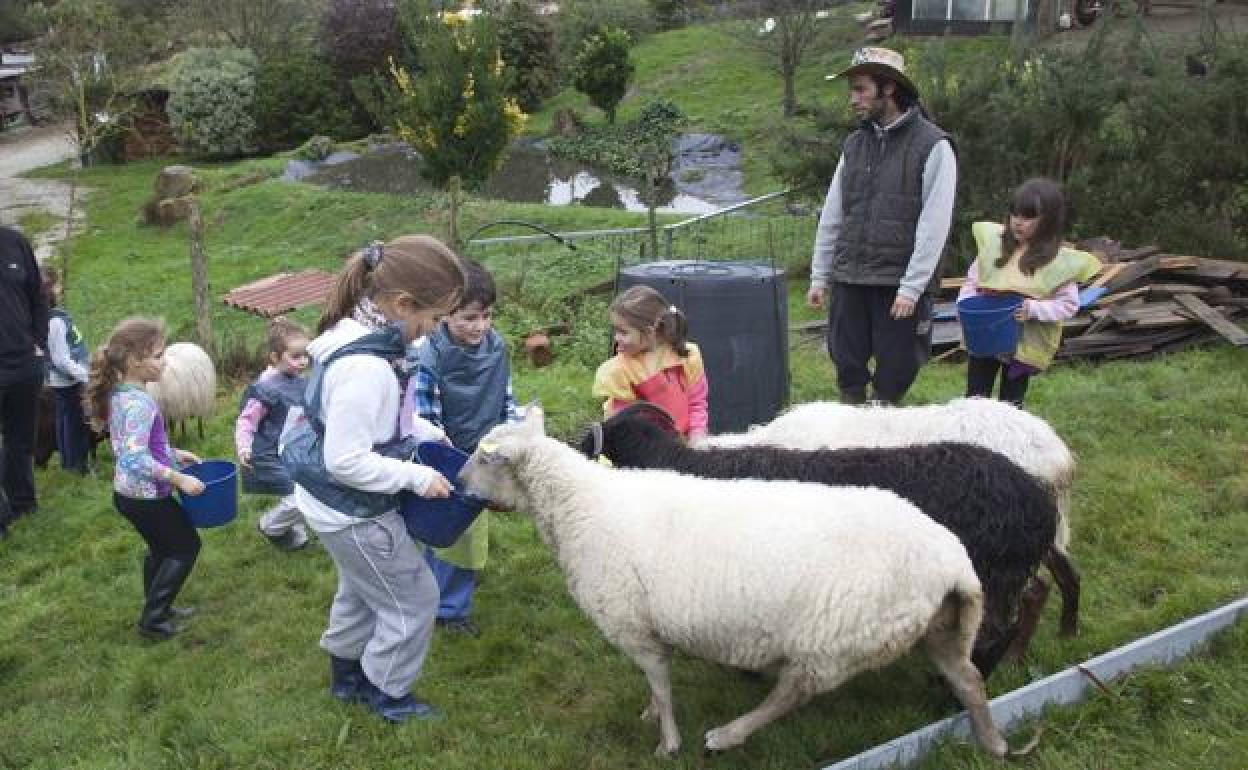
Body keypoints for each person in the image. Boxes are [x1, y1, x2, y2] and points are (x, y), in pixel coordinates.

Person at [282, 236, 464, 723]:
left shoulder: (359, 335)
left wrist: (428, 431)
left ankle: (345, 679)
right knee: (415, 599)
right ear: (402, 305)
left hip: (329, 503)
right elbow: (346, 459)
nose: (433, 332)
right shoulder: (367, 367)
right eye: (432, 319)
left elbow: (384, 419)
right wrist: (417, 478)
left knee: (361, 590)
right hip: (354, 508)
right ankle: (389, 693)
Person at [806, 47, 958, 406]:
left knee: (893, 378)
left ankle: (883, 445)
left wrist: (912, 287)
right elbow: (833, 214)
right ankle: (850, 443)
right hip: (850, 278)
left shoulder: (933, 146)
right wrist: (819, 275)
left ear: (888, 88)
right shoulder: (855, 145)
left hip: (897, 283)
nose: (852, 99)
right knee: (848, 373)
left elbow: (934, 224)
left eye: (860, 89)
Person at [405, 259, 521, 638]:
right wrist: (443, 449)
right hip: (447, 455)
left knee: (464, 531)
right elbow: (425, 412)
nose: (480, 326)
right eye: (469, 318)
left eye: (486, 316)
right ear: (444, 313)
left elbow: (505, 396)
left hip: (485, 450)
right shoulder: (430, 354)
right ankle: (449, 612)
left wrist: (514, 430)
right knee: (455, 533)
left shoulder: (496, 346)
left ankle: (442, 589)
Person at [84, 317, 206, 640]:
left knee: (161, 550)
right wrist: (177, 478)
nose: (163, 360)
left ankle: (159, 607)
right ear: (135, 361)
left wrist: (174, 452)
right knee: (185, 546)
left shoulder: (123, 394)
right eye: (157, 355)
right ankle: (153, 620)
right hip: (146, 497)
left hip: (129, 494)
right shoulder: (138, 403)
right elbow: (134, 457)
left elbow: (131, 442)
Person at [958, 178, 1101, 406]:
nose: (1018, 222)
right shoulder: (994, 247)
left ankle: (1009, 440)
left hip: (1023, 345)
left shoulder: (1058, 262)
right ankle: (969, 439)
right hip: (986, 334)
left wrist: (1034, 309)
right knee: (975, 396)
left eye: (1028, 217)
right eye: (1015, 214)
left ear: (1049, 221)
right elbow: (972, 281)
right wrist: (965, 304)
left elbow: (1068, 305)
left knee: (1011, 403)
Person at [592, 285, 709, 442]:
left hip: (681, 448)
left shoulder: (687, 356)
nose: (616, 338)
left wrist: (697, 438)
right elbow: (624, 426)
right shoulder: (619, 370)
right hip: (640, 451)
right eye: (615, 331)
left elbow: (697, 403)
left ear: (649, 331)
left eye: (623, 332)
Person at [236, 316, 312, 551]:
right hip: (267, 453)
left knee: (306, 487)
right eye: (295, 357)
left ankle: (294, 531)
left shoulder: (300, 380)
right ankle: (270, 525)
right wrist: (244, 447)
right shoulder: (266, 389)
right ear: (275, 358)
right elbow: (246, 421)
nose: (302, 362)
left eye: (305, 356)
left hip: (292, 448)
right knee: (302, 495)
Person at [0, 226, 49, 539]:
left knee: (19, 440)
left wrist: (39, 344)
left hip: (22, 365)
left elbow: (38, 296)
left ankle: (23, 504)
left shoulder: (15, 242)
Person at [43, 268, 92, 475]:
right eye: (57, 284)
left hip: (62, 380)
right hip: (67, 380)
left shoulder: (53, 318)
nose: (61, 288)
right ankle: (77, 464)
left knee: (65, 419)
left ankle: (68, 461)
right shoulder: (54, 322)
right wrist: (85, 375)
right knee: (74, 422)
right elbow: (61, 359)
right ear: (50, 291)